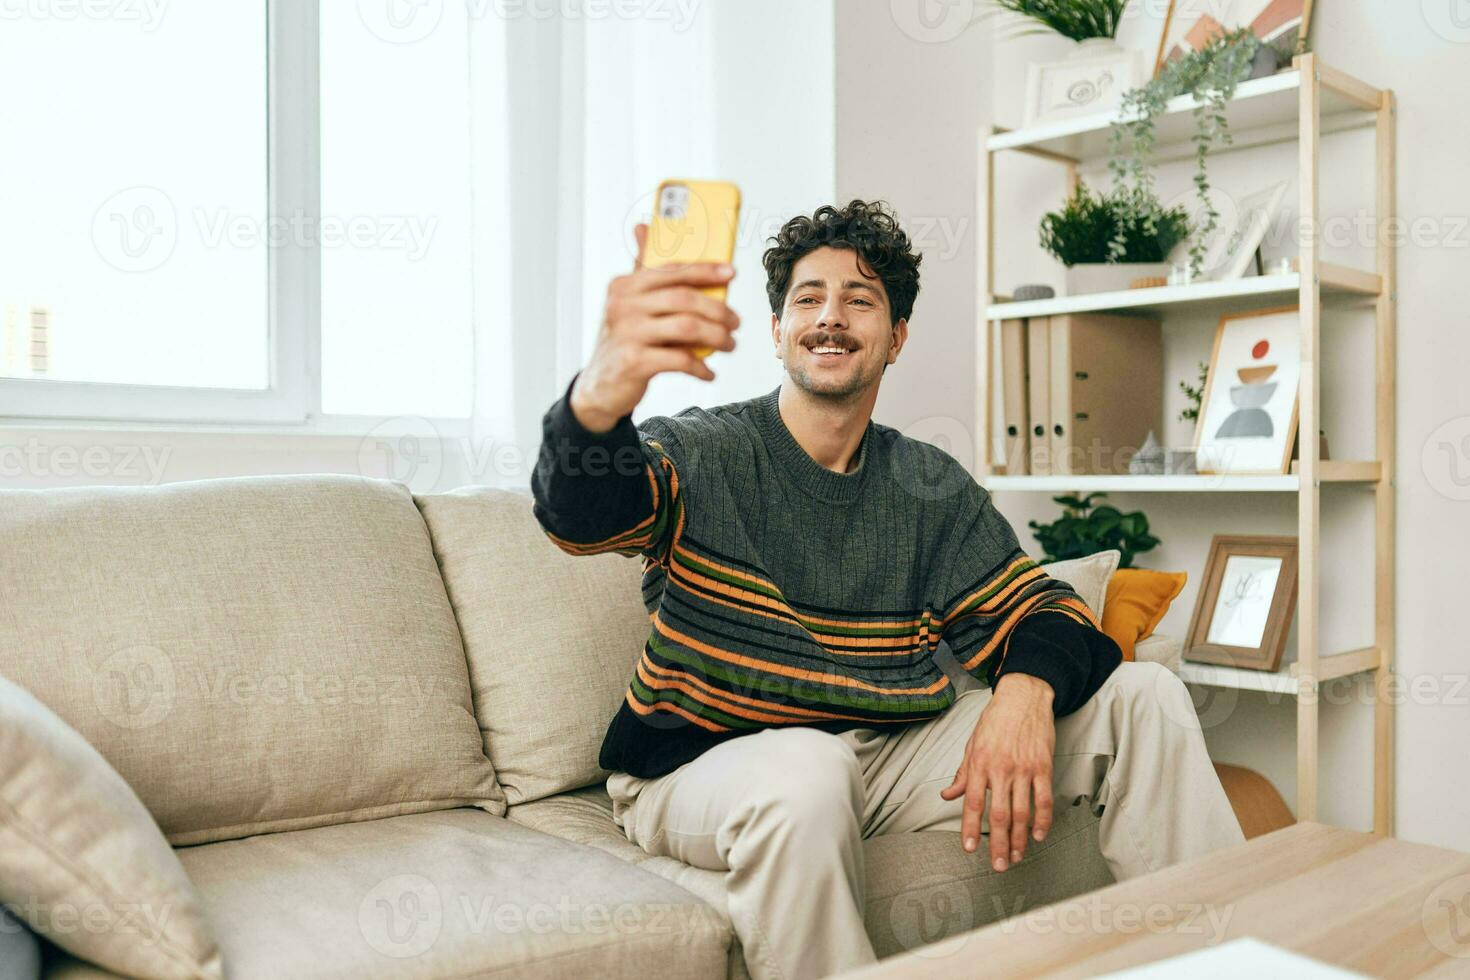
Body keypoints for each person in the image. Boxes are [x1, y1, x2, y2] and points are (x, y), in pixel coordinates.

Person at [530, 200, 1245, 979]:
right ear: (777, 330)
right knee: (809, 771)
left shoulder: (926, 484)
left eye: (859, 299)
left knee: (1146, 698)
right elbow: (583, 517)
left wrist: (1024, 693)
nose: (829, 318)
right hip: (701, 768)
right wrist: (602, 392)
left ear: (896, 336)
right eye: (808, 299)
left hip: (885, 756)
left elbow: (1047, 609)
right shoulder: (708, 449)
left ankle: (1227, 967)